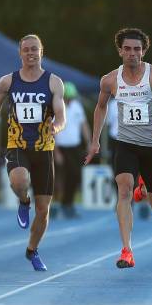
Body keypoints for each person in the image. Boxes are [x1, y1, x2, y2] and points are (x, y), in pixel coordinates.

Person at [84, 28, 152, 269]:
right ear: (120, 51)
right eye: (127, 49)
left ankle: (144, 187)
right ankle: (127, 250)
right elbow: (100, 108)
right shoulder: (109, 80)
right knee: (124, 190)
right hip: (125, 145)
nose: (132, 53)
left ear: (144, 51)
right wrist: (95, 140)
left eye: (137, 49)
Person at [0, 34, 66, 271]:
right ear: (20, 53)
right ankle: (23, 199)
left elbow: (60, 112)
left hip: (44, 149)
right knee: (19, 180)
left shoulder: (53, 82)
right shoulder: (7, 82)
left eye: (35, 49)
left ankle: (32, 250)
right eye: (26, 50)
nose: (31, 53)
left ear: (42, 52)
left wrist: (57, 125)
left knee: (43, 211)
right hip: (17, 144)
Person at [54, 81, 91, 218]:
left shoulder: (77, 107)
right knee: (57, 178)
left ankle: (67, 203)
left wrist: (89, 142)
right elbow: (51, 131)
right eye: (67, 98)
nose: (69, 100)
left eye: (71, 98)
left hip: (74, 147)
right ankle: (54, 205)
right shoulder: (55, 108)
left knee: (75, 175)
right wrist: (56, 152)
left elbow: (83, 125)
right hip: (60, 147)